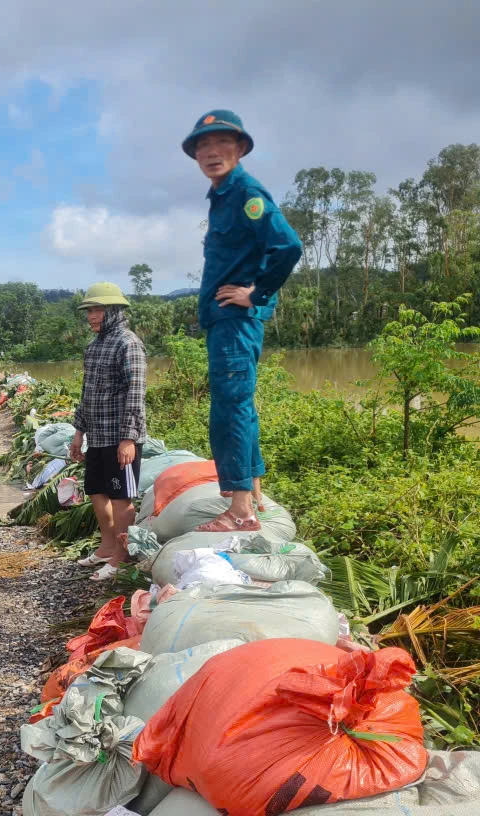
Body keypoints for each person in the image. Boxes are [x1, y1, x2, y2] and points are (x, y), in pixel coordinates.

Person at [183, 109, 302, 532]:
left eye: (221, 144)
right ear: (195, 155)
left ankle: (239, 511)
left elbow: (287, 246)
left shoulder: (245, 192)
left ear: (240, 148)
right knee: (241, 405)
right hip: (225, 319)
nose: (212, 153)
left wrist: (256, 293)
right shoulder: (222, 196)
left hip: (235, 318)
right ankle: (252, 491)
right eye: (203, 146)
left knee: (228, 408)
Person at [68, 282, 147, 581]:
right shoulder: (94, 346)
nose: (92, 316)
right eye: (89, 310)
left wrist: (128, 438)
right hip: (97, 435)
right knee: (97, 492)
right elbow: (87, 393)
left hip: (120, 437)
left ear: (114, 311)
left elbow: (135, 393)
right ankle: (106, 547)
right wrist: (79, 432)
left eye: (98, 310)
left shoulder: (128, 343)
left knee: (121, 496)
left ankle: (121, 557)